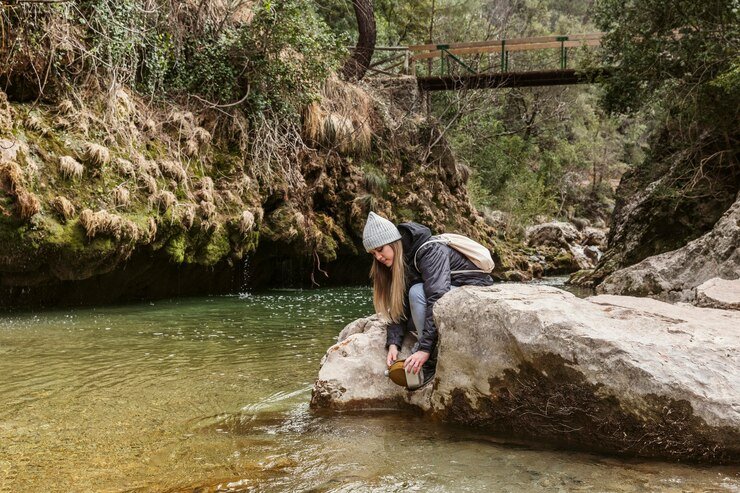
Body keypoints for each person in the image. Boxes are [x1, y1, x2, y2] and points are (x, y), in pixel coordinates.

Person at [362, 211, 494, 385]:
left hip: (472, 290)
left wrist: (424, 349)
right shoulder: (403, 258)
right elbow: (400, 305)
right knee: (412, 305)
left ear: (394, 243)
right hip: (449, 292)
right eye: (373, 254)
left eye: (380, 250)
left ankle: (431, 360)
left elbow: (437, 297)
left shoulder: (430, 251)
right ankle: (428, 347)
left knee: (416, 292)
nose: (378, 257)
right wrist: (394, 343)